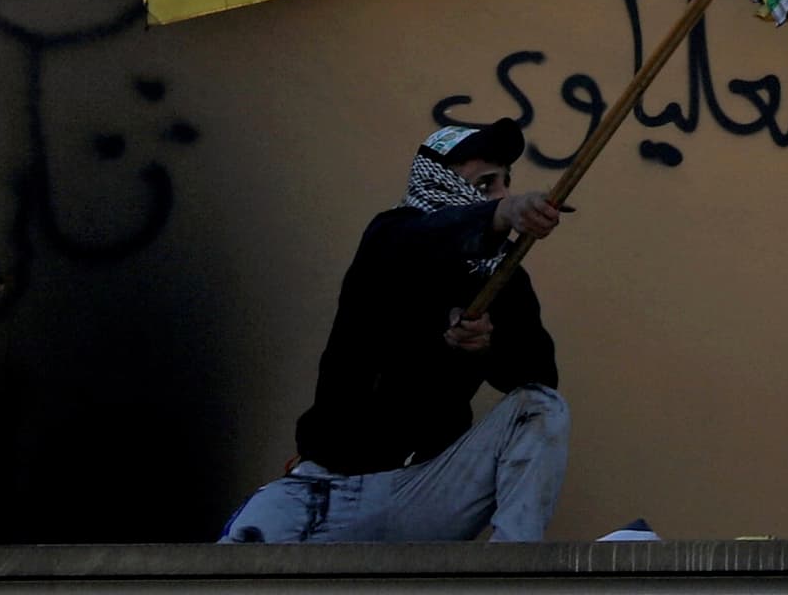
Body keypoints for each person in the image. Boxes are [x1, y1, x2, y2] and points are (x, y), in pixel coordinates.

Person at [220, 118, 574, 543]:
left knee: (542, 406)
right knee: (237, 557)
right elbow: (425, 243)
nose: (501, 193)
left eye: (505, 184)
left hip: (423, 489)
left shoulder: (504, 276)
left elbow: (535, 376)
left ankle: (512, 575)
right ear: (439, 184)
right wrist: (501, 214)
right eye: (485, 185)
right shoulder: (391, 238)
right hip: (326, 491)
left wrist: (488, 344)